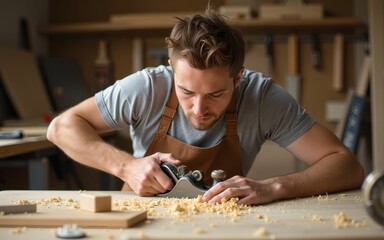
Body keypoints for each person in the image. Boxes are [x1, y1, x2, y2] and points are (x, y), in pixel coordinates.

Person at [47, 9, 365, 205]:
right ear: (171, 70)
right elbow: (61, 128)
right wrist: (126, 166)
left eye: (215, 94)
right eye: (186, 91)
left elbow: (347, 165)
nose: (199, 108)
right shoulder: (145, 87)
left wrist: (274, 186)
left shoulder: (262, 96)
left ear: (238, 77)